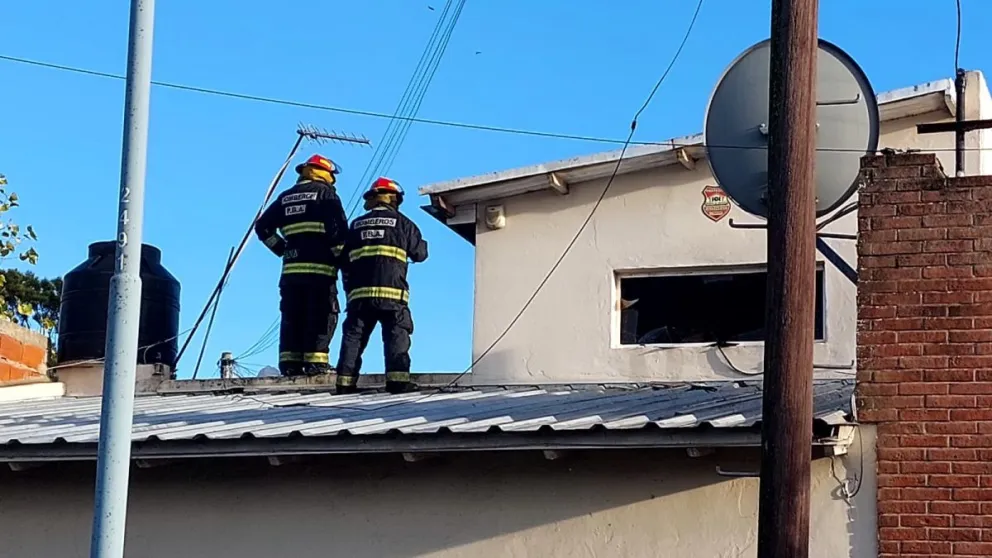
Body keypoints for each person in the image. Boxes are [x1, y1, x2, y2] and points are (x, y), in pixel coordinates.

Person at [254, 154, 349, 376]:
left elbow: (262, 228)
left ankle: (290, 364)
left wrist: (281, 249)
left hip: (291, 272)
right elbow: (338, 233)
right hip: (320, 271)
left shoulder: (286, 197)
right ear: (326, 174)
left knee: (293, 316)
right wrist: (343, 260)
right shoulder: (327, 195)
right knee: (322, 314)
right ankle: (316, 363)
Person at [335, 177, 428, 394]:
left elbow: (343, 259)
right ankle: (397, 382)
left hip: (359, 297)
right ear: (394, 199)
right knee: (397, 335)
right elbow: (420, 254)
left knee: (354, 338)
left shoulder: (356, 225)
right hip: (392, 296)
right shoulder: (405, 224)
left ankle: (344, 384)